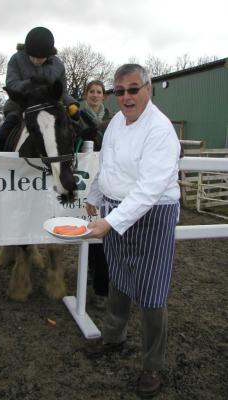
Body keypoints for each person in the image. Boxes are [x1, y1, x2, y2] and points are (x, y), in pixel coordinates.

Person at [85, 64, 181, 398]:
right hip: (114, 208)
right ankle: (114, 336)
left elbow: (149, 188)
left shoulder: (160, 130)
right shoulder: (114, 125)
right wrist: (94, 197)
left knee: (152, 290)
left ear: (148, 89)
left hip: (153, 214)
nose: (126, 97)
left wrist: (110, 221)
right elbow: (105, 164)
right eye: (120, 90)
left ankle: (152, 365)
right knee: (119, 276)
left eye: (133, 89)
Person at [0, 26, 78, 151]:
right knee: (0, 138)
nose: (36, 61)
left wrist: (71, 103)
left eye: (41, 58)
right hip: (20, 106)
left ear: (49, 55)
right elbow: (12, 84)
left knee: (77, 133)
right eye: (32, 57)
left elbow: (62, 91)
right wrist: (33, 84)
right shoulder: (16, 59)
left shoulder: (58, 65)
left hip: (50, 109)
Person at [76, 80, 111, 308]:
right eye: (92, 91)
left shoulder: (113, 119)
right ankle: (88, 274)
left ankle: (101, 286)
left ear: (103, 96)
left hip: (104, 179)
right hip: (82, 178)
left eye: (99, 92)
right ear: (86, 95)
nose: (96, 95)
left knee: (102, 232)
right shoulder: (76, 116)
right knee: (85, 228)